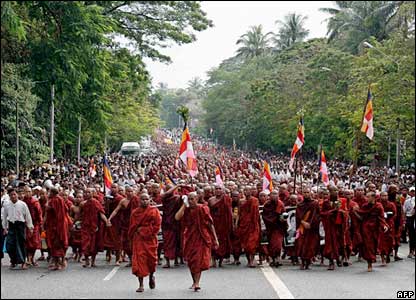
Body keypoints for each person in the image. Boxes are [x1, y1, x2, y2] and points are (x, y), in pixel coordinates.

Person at [175, 192, 219, 292]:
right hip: (189, 237)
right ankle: (194, 281)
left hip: (201, 236)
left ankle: (197, 282)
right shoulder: (186, 209)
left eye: (192, 199)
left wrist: (215, 239)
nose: (190, 201)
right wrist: (184, 205)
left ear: (197, 198)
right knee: (191, 261)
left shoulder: (203, 208)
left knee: (198, 260)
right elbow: (177, 217)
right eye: (189, 199)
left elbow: (210, 224)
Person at [128, 193, 162, 293]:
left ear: (150, 200)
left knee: (151, 260)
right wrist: (132, 236)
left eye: (146, 199)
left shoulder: (154, 211)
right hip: (139, 239)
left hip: (150, 239)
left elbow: (157, 225)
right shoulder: (135, 212)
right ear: (139, 201)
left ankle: (151, 275)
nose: (145, 201)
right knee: (139, 260)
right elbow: (132, 226)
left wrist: (145, 230)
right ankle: (141, 284)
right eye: (142, 199)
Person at [2, 187, 33, 270]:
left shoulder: (22, 204)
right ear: (9, 196)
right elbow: (5, 217)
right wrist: (4, 228)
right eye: (11, 195)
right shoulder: (7, 205)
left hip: (20, 225)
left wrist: (30, 226)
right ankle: (13, 261)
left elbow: (27, 216)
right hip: (11, 225)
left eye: (14, 194)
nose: (13, 196)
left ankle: (23, 262)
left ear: (17, 195)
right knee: (9, 245)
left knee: (21, 244)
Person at [357, 192, 389, 272]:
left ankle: (374, 257)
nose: (366, 198)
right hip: (366, 227)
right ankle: (369, 263)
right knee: (368, 245)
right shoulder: (365, 206)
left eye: (368, 197)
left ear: (373, 197)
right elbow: (361, 215)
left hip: (376, 227)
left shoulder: (378, 206)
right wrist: (355, 212)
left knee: (375, 244)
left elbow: (381, 217)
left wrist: (384, 225)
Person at [80, 188, 109, 267]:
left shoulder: (96, 203)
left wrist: (107, 221)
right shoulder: (82, 204)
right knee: (85, 244)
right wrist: (74, 222)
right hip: (85, 227)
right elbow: (79, 214)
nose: (87, 194)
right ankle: (86, 261)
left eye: (89, 192)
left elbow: (101, 213)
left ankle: (93, 261)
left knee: (94, 245)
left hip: (94, 227)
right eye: (85, 192)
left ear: (92, 193)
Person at [44, 187, 72, 270]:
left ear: (53, 193)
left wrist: (47, 204)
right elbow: (66, 209)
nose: (49, 193)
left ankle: (58, 263)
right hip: (61, 224)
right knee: (60, 243)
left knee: (56, 243)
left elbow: (50, 209)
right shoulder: (60, 200)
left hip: (55, 225)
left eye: (49, 192)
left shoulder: (54, 200)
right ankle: (60, 261)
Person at [295, 187, 320, 270]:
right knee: (301, 244)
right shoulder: (300, 205)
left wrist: (311, 223)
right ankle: (302, 262)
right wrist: (303, 222)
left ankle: (308, 262)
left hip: (312, 228)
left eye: (307, 192)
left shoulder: (315, 203)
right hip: (302, 227)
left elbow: (317, 215)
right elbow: (298, 216)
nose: (306, 194)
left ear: (310, 193)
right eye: (304, 192)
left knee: (311, 246)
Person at [208, 184, 232, 268]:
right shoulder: (211, 200)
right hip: (214, 223)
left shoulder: (226, 199)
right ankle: (213, 260)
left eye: (219, 189)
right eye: (216, 189)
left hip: (224, 224)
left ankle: (221, 260)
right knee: (213, 241)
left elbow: (229, 212)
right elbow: (208, 212)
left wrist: (230, 224)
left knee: (223, 242)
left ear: (222, 190)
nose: (218, 190)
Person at [262, 190, 287, 267]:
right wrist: (273, 220)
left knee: (277, 244)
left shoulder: (280, 204)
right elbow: (265, 216)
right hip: (270, 227)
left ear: (278, 195)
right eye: (272, 194)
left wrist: (283, 219)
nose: (274, 196)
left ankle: (277, 258)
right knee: (271, 244)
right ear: (269, 196)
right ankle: (273, 258)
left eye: (276, 194)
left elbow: (284, 214)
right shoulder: (267, 205)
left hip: (278, 227)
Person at [161, 184, 183, 268]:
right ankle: (167, 261)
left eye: (169, 189)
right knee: (167, 243)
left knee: (177, 241)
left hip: (176, 222)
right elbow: (165, 194)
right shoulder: (164, 198)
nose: (168, 191)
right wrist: (177, 185)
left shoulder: (177, 198)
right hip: (167, 223)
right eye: (167, 189)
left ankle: (177, 259)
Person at [238, 186, 260, 268]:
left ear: (251, 191)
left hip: (253, 224)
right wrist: (237, 223)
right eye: (245, 190)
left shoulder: (254, 200)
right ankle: (248, 260)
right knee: (246, 244)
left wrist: (255, 223)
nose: (247, 191)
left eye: (248, 190)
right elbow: (239, 213)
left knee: (252, 244)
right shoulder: (241, 201)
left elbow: (255, 213)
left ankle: (251, 260)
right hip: (244, 225)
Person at [379, 191, 396, 265]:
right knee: (381, 243)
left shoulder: (391, 204)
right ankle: (382, 258)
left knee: (390, 241)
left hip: (389, 224)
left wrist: (390, 221)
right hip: (380, 225)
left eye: (386, 196)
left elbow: (395, 214)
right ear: (380, 196)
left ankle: (388, 254)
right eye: (383, 196)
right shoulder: (378, 205)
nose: (384, 197)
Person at [404, 187, 415, 258]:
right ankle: (411, 251)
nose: (413, 193)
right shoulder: (407, 201)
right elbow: (405, 211)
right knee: (411, 236)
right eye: (412, 191)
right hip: (410, 219)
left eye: (414, 191)